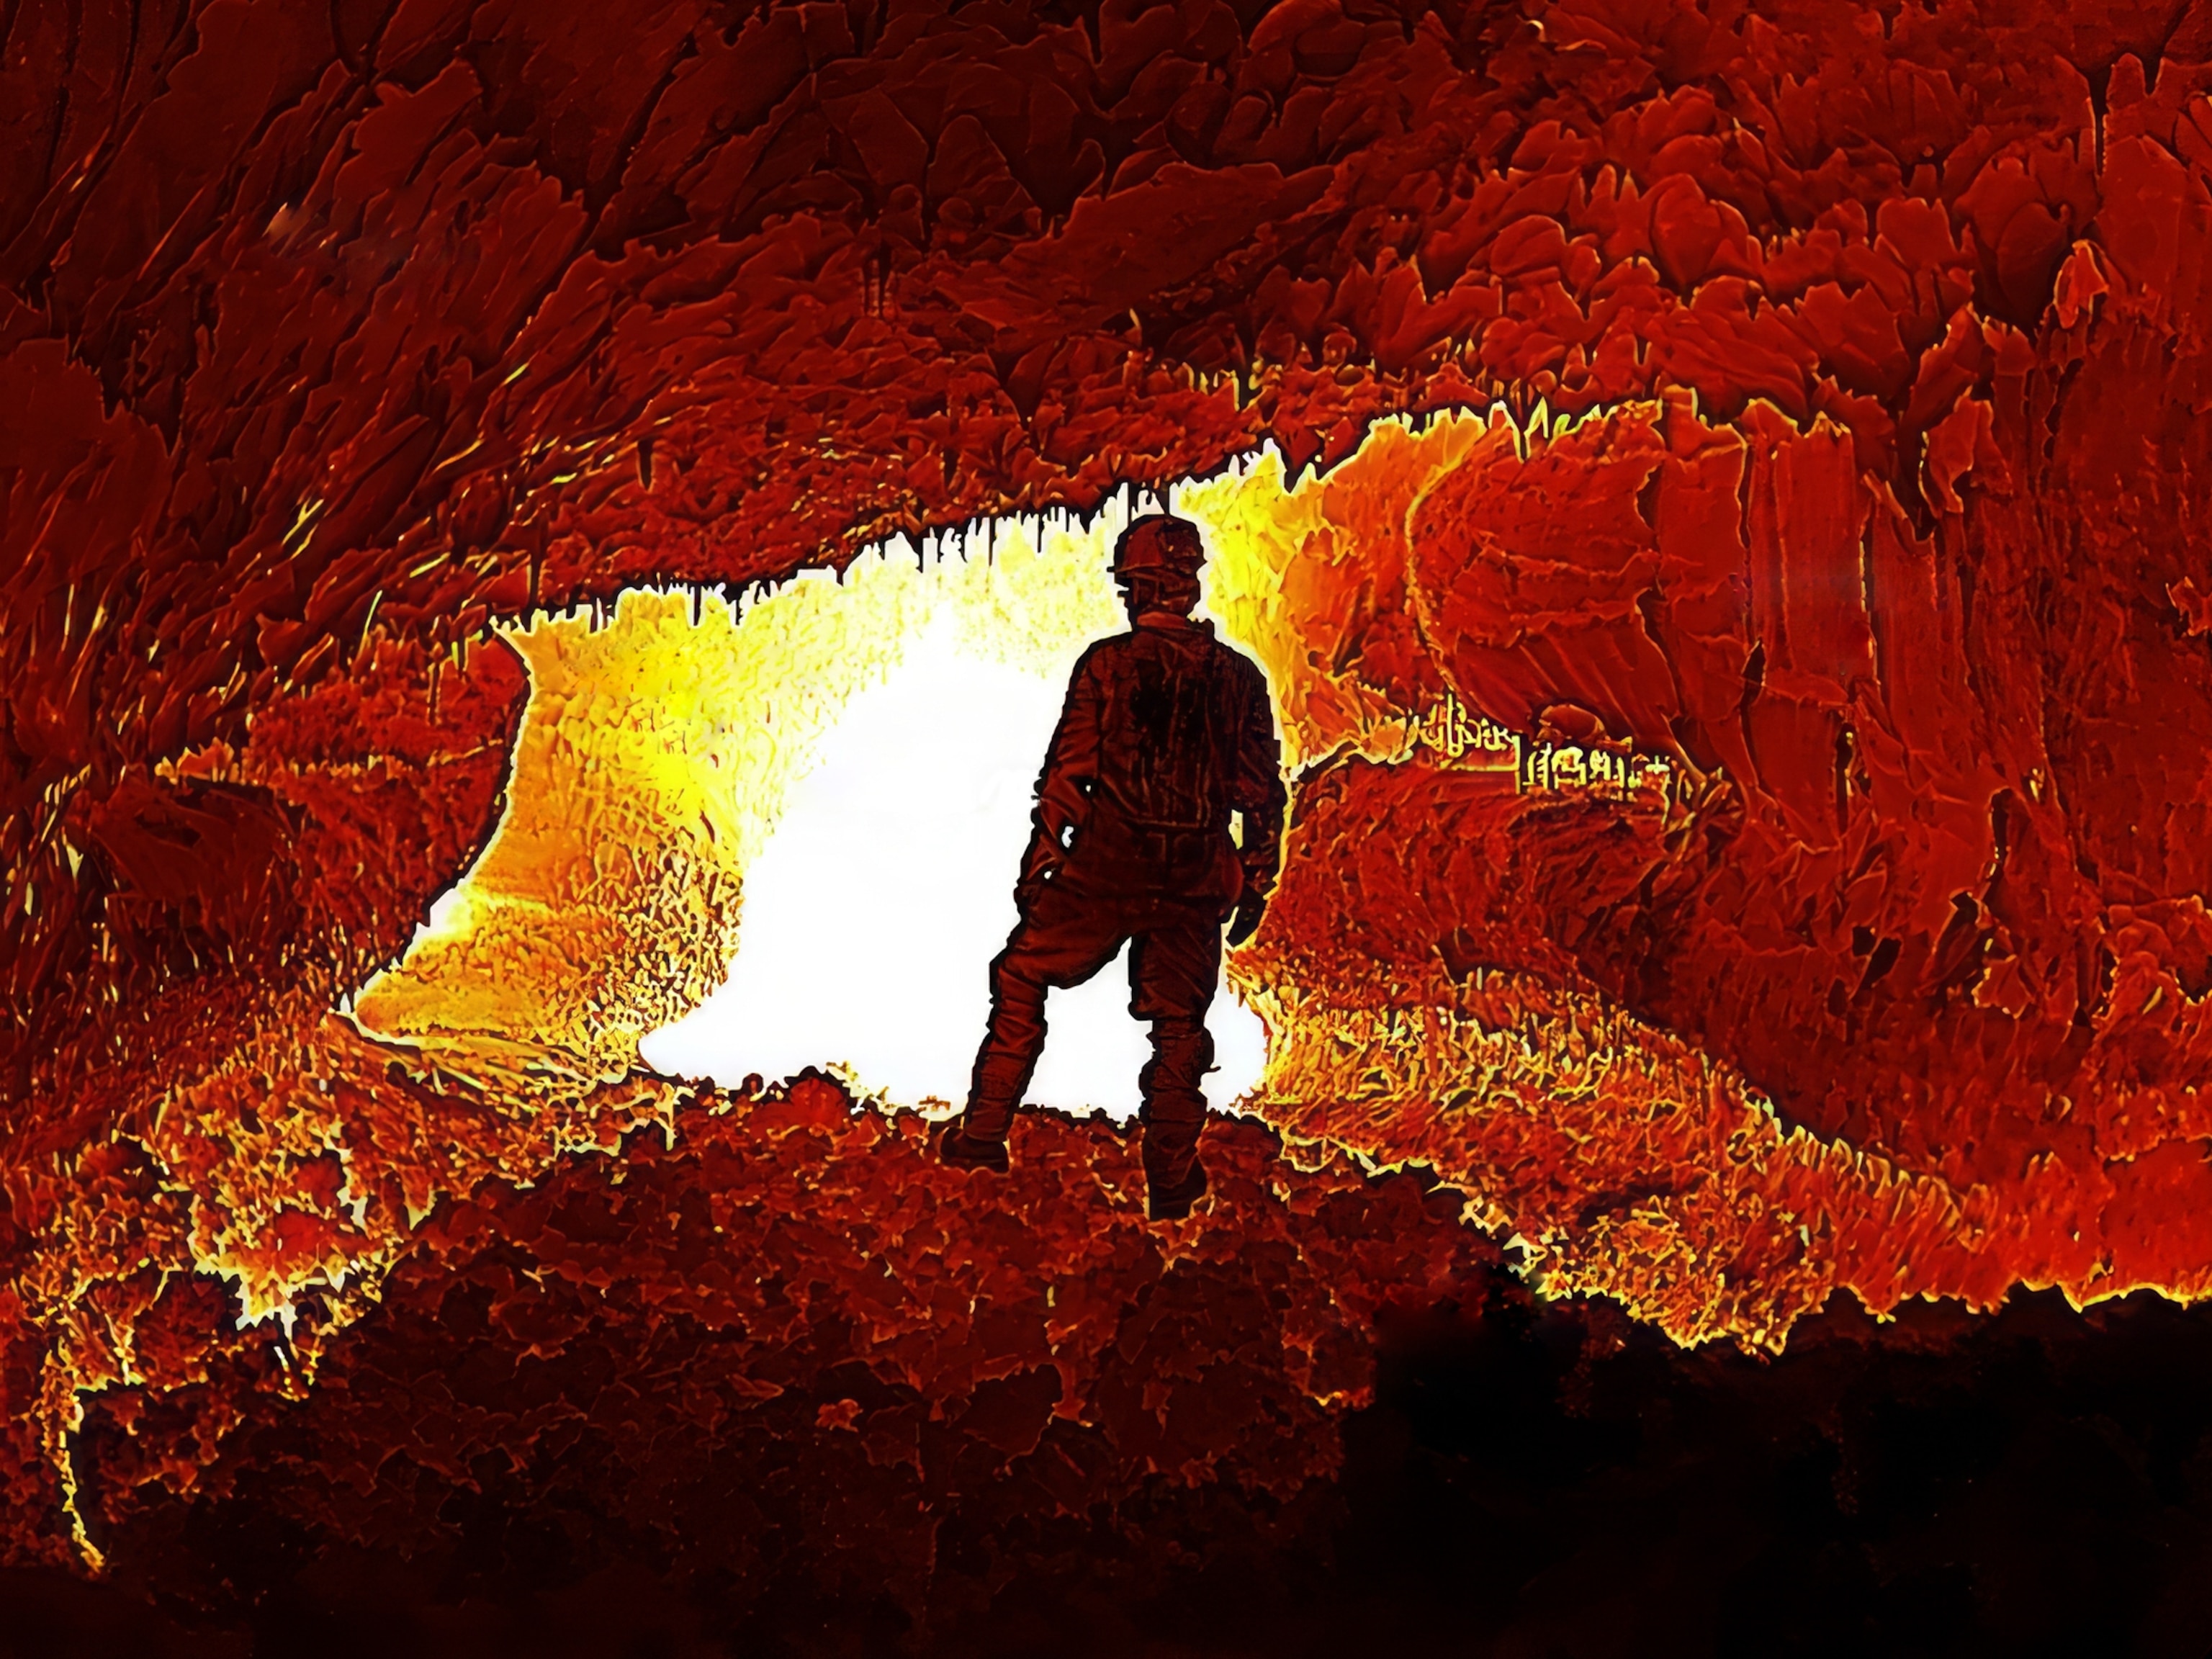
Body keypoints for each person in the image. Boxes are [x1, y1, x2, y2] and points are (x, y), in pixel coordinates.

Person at [938, 512, 1287, 1220]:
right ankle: (1171, 1180)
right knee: (1179, 1028)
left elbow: (1069, 773)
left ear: (1137, 588)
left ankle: (981, 1136)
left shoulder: (1107, 665)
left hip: (1105, 869)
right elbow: (1262, 792)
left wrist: (1042, 862)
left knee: (1021, 977)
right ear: (1188, 585)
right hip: (1194, 876)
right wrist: (1255, 877)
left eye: (1132, 584)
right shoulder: (1239, 678)